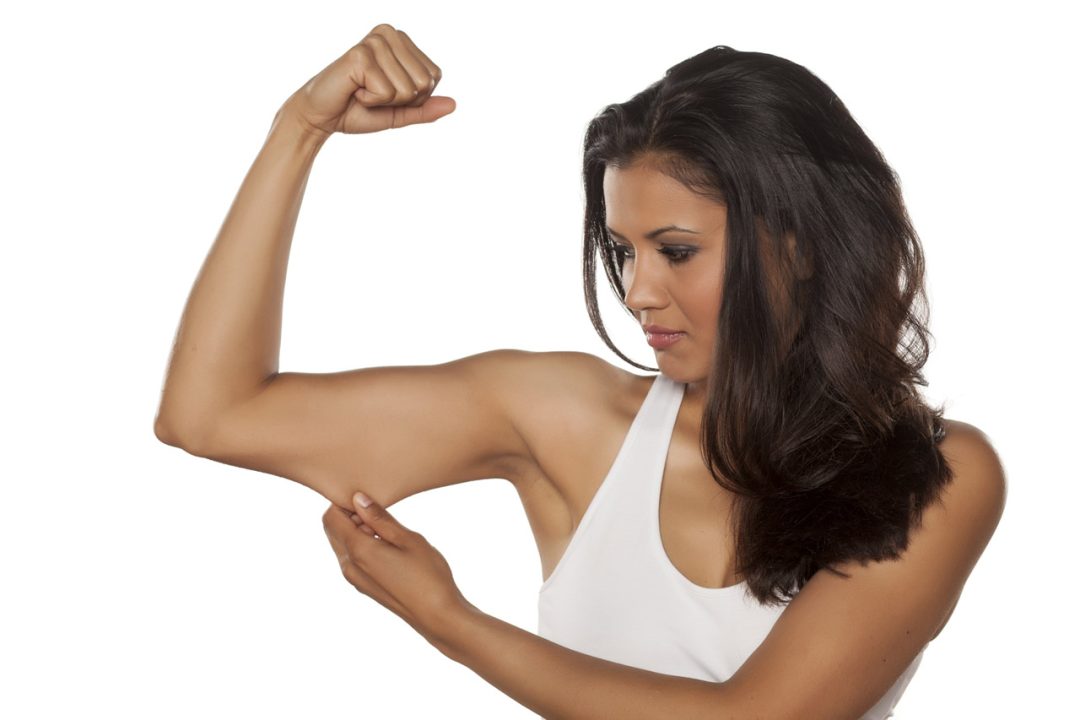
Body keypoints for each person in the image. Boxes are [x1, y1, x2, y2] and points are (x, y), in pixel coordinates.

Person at [154, 22, 1007, 719]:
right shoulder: (570, 420)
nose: (637, 292)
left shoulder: (940, 474)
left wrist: (453, 624)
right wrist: (298, 130)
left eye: (677, 251)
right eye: (623, 250)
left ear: (802, 245)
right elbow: (211, 415)